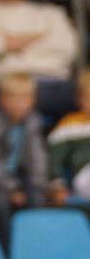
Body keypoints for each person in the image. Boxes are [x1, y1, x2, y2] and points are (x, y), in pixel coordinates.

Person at [0, 72, 49, 235]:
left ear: (33, 100)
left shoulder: (33, 123)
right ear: (0, 99)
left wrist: (39, 184)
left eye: (23, 98)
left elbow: (37, 157)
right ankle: (5, 248)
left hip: (18, 177)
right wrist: (11, 188)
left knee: (35, 196)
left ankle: (32, 244)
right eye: (12, 97)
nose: (18, 104)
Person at [49, 70, 90, 204]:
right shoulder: (69, 125)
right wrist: (57, 185)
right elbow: (55, 159)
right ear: (78, 98)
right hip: (85, 176)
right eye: (88, 96)